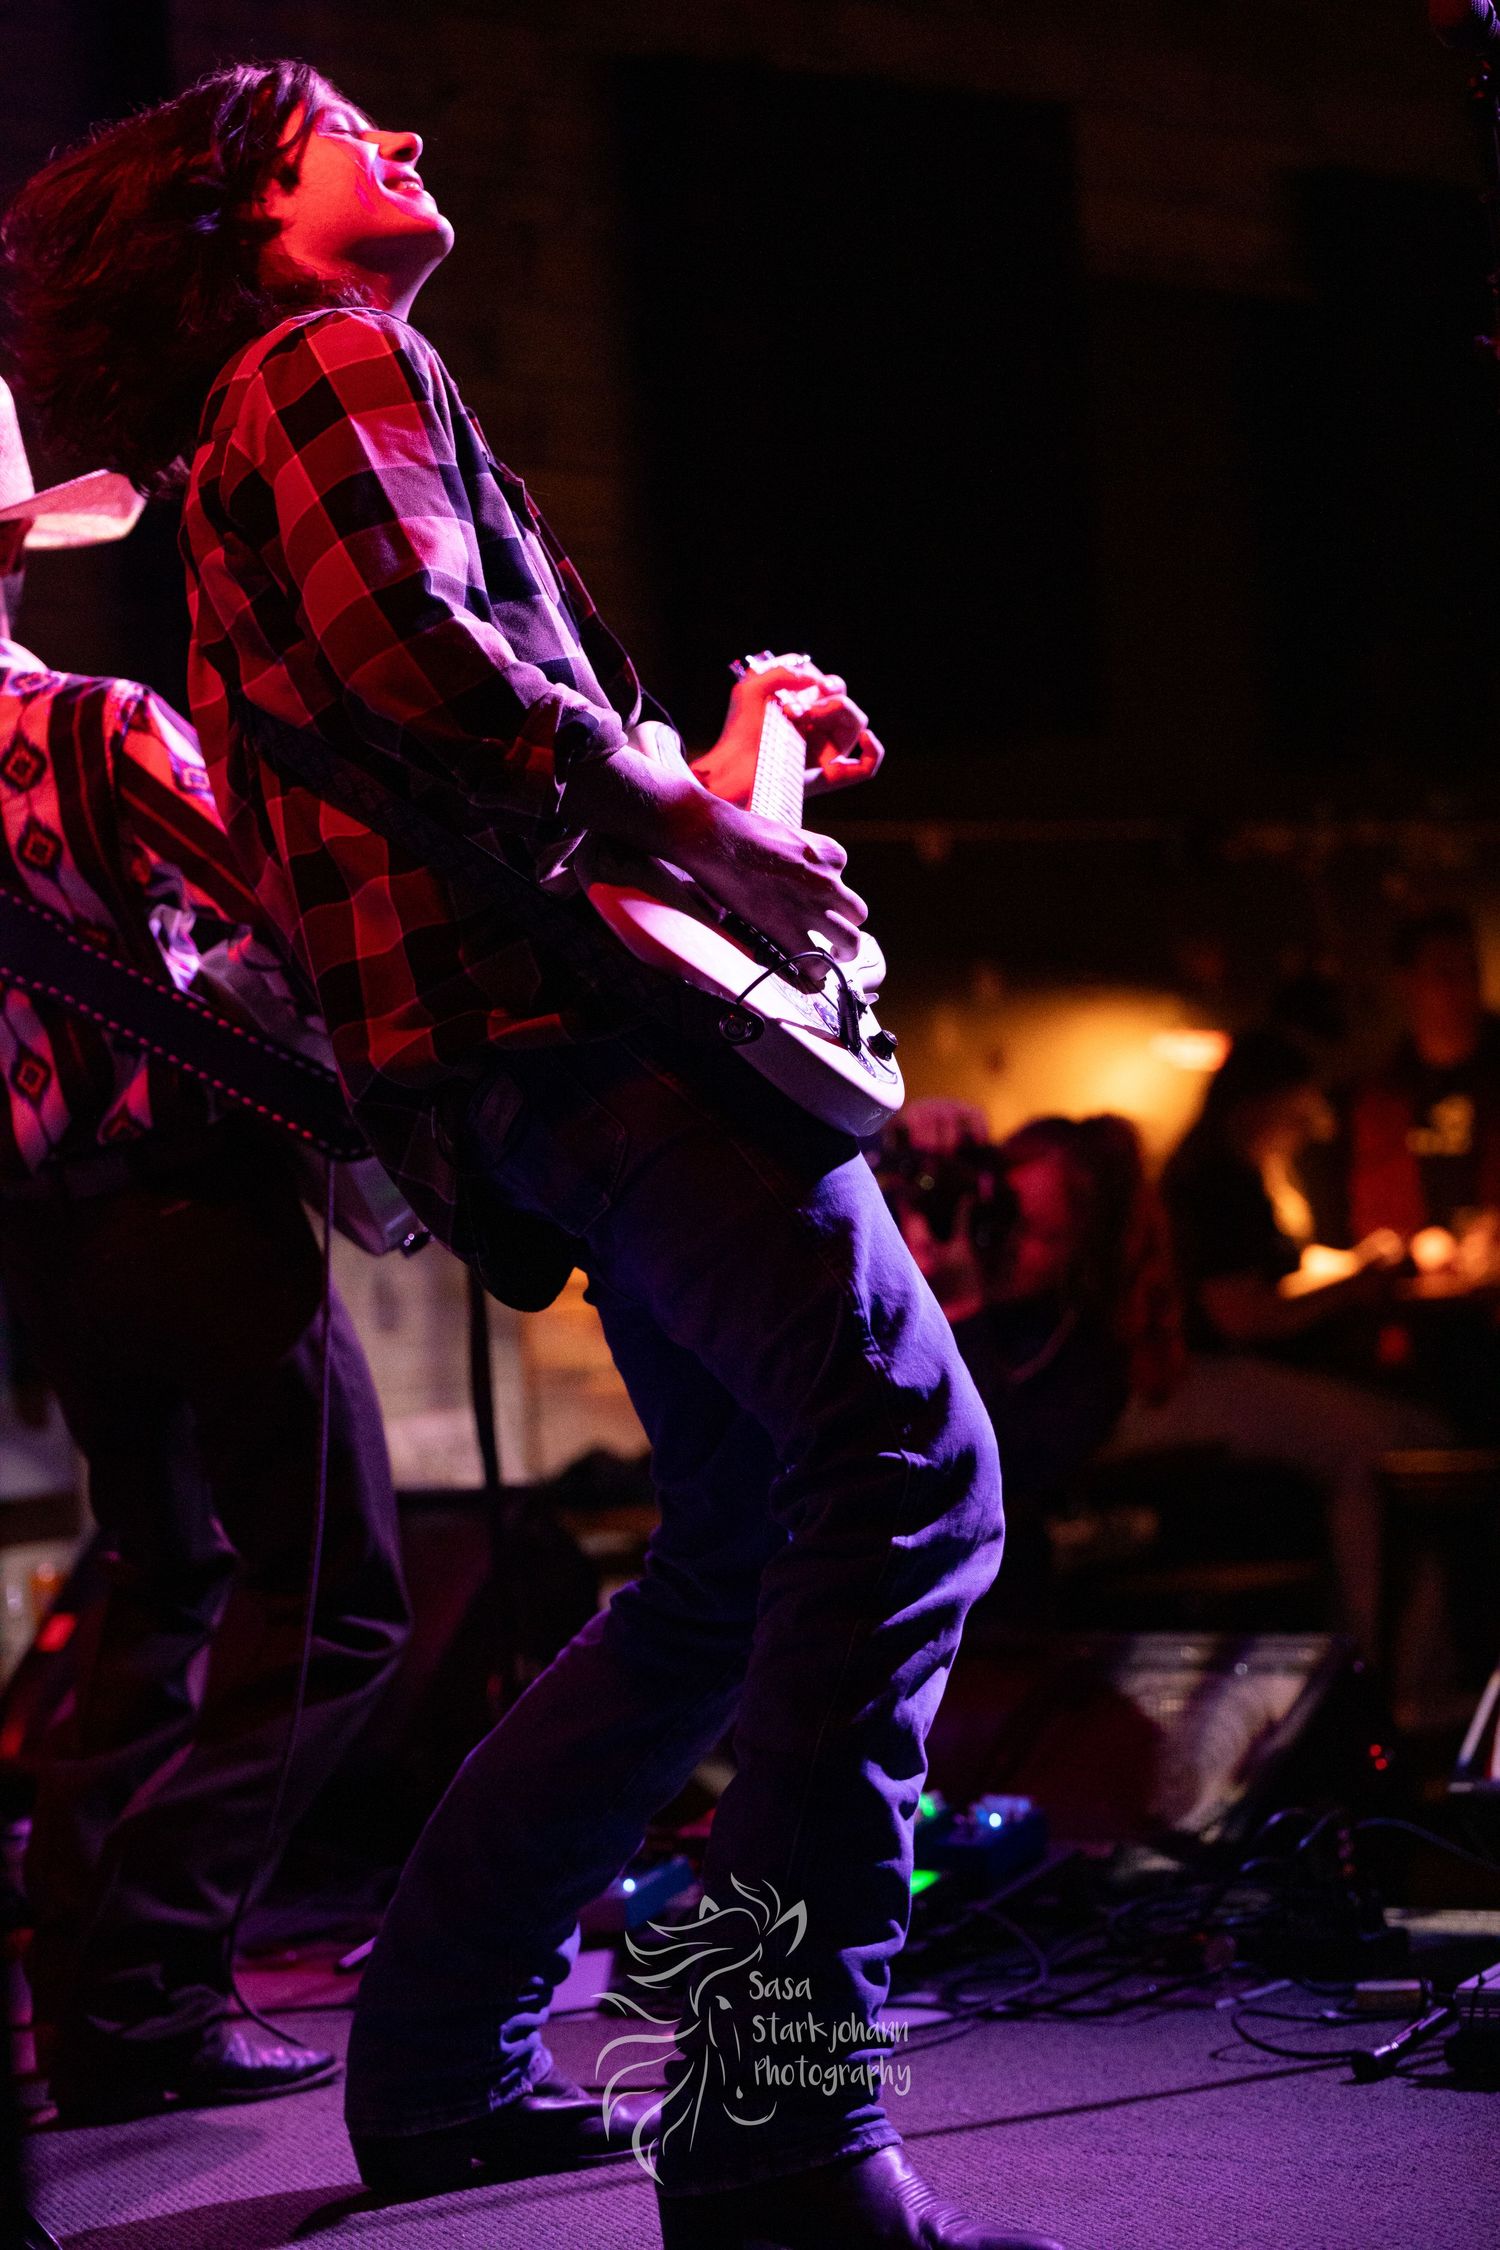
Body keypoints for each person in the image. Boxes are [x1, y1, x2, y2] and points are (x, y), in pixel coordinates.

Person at [5, 65, 1064, 2250]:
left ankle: (447, 2060)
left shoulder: (262, 431)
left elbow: (464, 762)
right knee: (908, 1477)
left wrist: (731, 767)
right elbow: (437, 670)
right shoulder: (330, 360)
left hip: (524, 1062)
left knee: (732, 1552)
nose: (401, 135)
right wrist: (693, 821)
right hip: (583, 1055)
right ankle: (775, 2126)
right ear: (247, 215)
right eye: (338, 130)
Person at [0, 379, 409, 2122]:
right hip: (194, 1216)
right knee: (341, 1604)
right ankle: (150, 1981)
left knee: (161, 1581)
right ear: (17, 548)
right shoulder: (92, 732)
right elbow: (295, 916)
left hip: (46, 1254)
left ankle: (91, 1990)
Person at [1112, 1030, 1447, 1653]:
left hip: (1204, 1378)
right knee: (1380, 1452)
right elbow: (1244, 1316)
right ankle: (1393, 1668)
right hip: (1193, 1382)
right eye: (1298, 1114)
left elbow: (1272, 1269)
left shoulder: (1229, 1172)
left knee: (1409, 1436)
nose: (1310, 1129)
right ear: (1259, 1105)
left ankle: (1397, 1662)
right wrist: (1353, 1288)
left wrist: (1355, 1265)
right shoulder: (1214, 1179)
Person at [879, 1103, 1182, 1617]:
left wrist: (960, 1309)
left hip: (982, 1605)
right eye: (1000, 1213)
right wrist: (888, 1138)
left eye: (1037, 1232)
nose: (1003, 1240)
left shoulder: (1091, 1367)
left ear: (1082, 1253)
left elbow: (966, 1472)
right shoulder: (920, 1257)